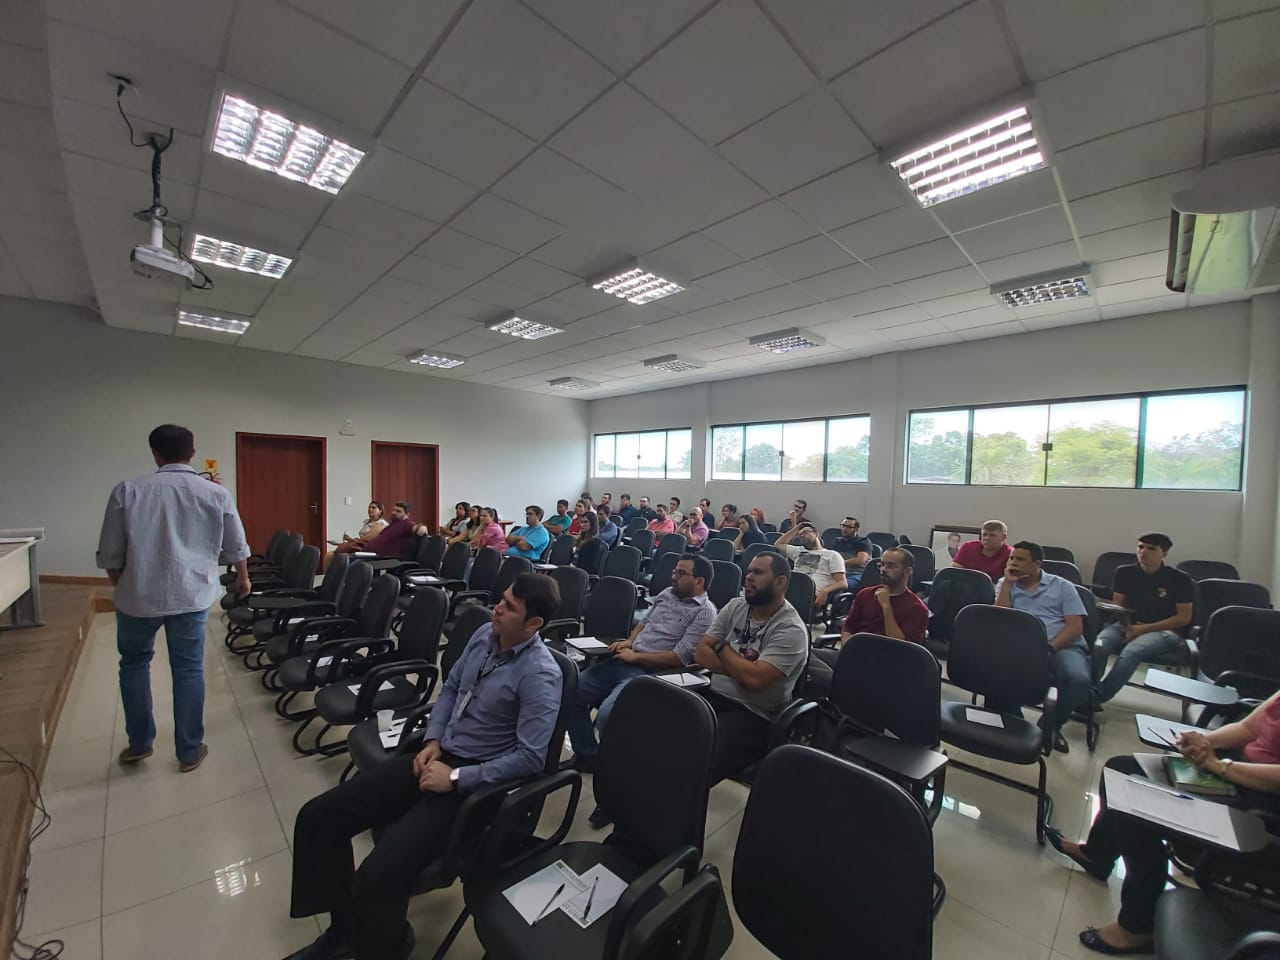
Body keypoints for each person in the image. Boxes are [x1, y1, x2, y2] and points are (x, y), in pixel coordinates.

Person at [283, 573, 562, 960]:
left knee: (377, 877)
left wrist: (456, 777)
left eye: (510, 607)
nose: (497, 608)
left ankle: (389, 945)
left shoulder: (540, 674)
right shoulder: (485, 635)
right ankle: (343, 931)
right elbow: (451, 689)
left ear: (534, 624)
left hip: (475, 784)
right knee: (319, 817)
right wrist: (433, 739)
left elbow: (531, 758)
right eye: (502, 599)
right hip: (440, 752)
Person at [1045, 692, 1280, 955]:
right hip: (1233, 771)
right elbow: (1246, 728)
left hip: (1260, 803)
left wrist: (1221, 767)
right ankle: (1097, 855)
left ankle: (1138, 926)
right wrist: (1205, 743)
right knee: (1119, 769)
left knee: (1136, 811)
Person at [95, 424, 250, 773]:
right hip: (191, 596)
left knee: (134, 664)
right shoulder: (215, 493)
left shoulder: (128, 490)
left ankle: (140, 743)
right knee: (188, 669)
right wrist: (243, 578)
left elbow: (110, 554)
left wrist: (125, 585)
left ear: (155, 453)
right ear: (192, 453)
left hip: (137, 597)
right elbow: (236, 545)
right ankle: (189, 751)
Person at [568, 555, 717, 824]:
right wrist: (629, 642)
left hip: (651, 673)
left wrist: (637, 657)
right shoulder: (667, 594)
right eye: (675, 571)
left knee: (608, 716)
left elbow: (680, 657)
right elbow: (643, 624)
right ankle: (590, 756)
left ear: (699, 581)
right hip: (626, 659)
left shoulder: (705, 612)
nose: (673, 576)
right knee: (570, 692)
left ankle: (613, 790)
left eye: (681, 573)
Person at [694, 552, 808, 785]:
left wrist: (722, 647)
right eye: (748, 572)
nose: (748, 577)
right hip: (713, 694)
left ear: (780, 582)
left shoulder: (791, 629)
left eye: (758, 572)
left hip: (752, 714)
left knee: (695, 764)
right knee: (662, 730)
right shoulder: (736, 605)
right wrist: (742, 669)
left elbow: (755, 681)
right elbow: (701, 652)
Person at [993, 541, 1089, 754]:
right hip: (1022, 646)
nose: (1013, 563)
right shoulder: (1005, 584)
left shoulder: (1062, 586)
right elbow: (999, 618)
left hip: (1062, 646)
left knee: (1079, 679)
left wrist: (1050, 647)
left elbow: (1075, 628)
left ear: (1037, 564)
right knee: (996, 668)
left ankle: (1049, 727)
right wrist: (1007, 584)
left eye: (1020, 559)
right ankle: (1015, 723)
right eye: (1011, 558)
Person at [1095, 533, 1195, 703]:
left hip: (1165, 631)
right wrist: (1128, 627)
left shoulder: (1179, 579)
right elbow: (1118, 607)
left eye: (1151, 548)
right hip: (1128, 624)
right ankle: (1087, 690)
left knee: (1132, 652)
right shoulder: (1124, 572)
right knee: (1100, 645)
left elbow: (1183, 618)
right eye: (1140, 547)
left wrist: (1142, 629)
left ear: (1164, 553)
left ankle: (1096, 698)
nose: (1143, 552)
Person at [837, 547, 929, 647]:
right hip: (857, 650)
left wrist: (886, 606)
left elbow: (901, 646)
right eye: (882, 564)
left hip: (887, 655)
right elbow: (848, 627)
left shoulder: (917, 608)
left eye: (891, 566)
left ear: (908, 571)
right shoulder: (865, 593)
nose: (883, 569)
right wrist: (846, 648)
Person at [775, 521, 848, 611]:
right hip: (791, 590)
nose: (801, 535)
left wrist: (825, 591)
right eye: (799, 534)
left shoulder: (832, 555)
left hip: (812, 594)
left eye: (805, 532)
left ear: (816, 534)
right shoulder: (797, 551)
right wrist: (797, 527)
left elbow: (842, 583)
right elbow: (778, 544)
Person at [326, 501, 389, 570]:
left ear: (380, 511)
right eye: (369, 507)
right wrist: (350, 539)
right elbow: (362, 539)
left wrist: (351, 540)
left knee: (339, 556)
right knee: (329, 555)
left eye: (373, 508)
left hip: (369, 549)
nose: (370, 509)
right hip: (361, 546)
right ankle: (329, 576)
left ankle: (339, 575)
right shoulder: (367, 522)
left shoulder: (381, 523)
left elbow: (369, 538)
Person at [830, 516, 873, 584]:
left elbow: (860, 560)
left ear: (856, 529)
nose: (844, 529)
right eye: (843, 526)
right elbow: (830, 557)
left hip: (855, 573)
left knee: (840, 586)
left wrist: (838, 563)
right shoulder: (837, 541)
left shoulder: (863, 541)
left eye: (848, 527)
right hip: (837, 572)